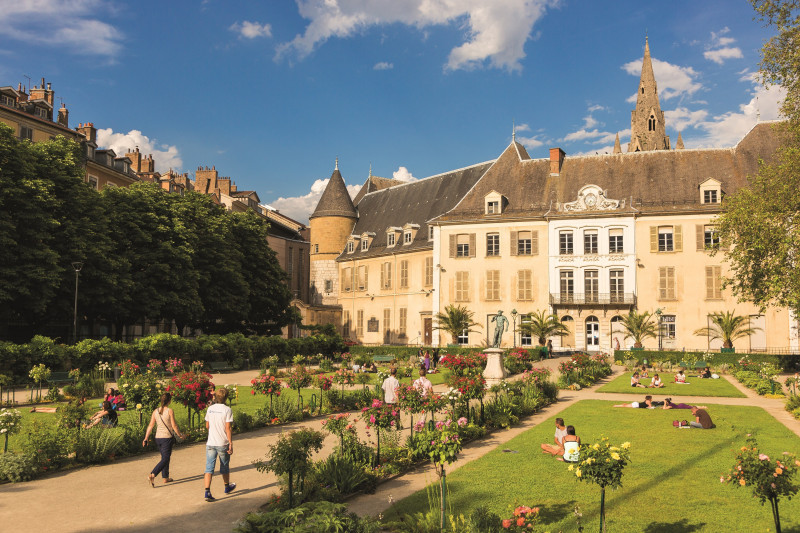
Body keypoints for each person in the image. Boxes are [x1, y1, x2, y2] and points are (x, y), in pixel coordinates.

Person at [143, 392, 186, 486]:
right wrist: (180, 435)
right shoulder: (170, 411)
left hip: (158, 438)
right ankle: (153, 474)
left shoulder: (155, 411)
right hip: (167, 438)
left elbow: (150, 425)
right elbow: (174, 425)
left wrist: (146, 438)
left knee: (165, 457)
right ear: (169, 401)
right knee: (166, 458)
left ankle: (165, 477)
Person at [204, 388, 236, 502]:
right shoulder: (227, 410)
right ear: (226, 397)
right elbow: (228, 428)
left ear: (216, 397)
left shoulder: (210, 409)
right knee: (224, 466)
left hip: (211, 442)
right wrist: (230, 443)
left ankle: (207, 491)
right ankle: (227, 486)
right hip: (222, 442)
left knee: (209, 467)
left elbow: (207, 426)